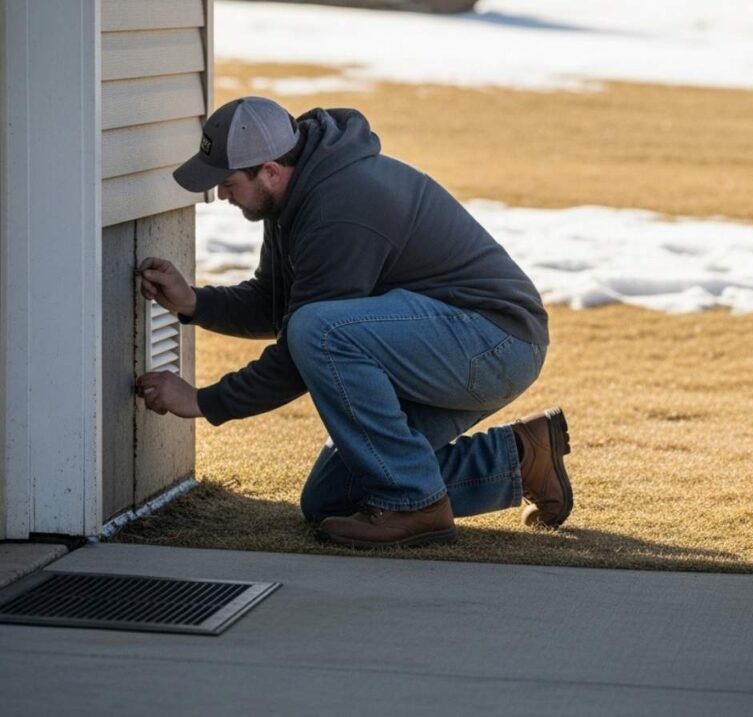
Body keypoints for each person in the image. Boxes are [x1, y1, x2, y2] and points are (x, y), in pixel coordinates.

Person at [134, 96, 573, 548]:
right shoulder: (294, 194)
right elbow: (276, 302)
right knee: (332, 499)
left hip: (495, 341)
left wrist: (204, 402)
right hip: (448, 344)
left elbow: (305, 344)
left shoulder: (339, 207)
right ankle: (523, 458)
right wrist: (193, 303)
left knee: (317, 330)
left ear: (269, 170)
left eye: (226, 182)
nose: (220, 194)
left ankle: (415, 504)